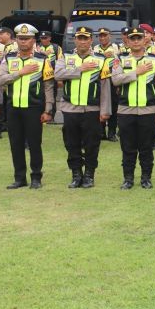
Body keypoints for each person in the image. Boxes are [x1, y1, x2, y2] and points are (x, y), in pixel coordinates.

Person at [0, 23, 55, 190]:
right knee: (15, 143)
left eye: (27, 39)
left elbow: (48, 86)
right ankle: (19, 177)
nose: (23, 42)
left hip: (33, 108)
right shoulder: (9, 57)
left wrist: (48, 109)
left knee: (34, 143)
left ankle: (36, 177)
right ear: (15, 39)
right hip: (13, 107)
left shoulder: (42, 59)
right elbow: (0, 80)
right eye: (20, 38)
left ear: (34, 40)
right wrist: (20, 72)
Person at [54, 27, 116, 189]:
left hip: (92, 109)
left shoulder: (100, 60)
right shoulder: (66, 57)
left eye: (85, 38)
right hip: (70, 108)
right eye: (79, 38)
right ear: (75, 40)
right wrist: (79, 70)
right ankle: (76, 174)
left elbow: (105, 87)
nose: (82, 41)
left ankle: (89, 174)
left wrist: (105, 110)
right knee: (71, 143)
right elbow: (57, 74)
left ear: (91, 40)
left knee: (92, 143)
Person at [112, 27, 155, 189]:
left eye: (138, 38)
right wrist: (136, 72)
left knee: (146, 147)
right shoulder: (119, 59)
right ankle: (128, 179)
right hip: (125, 110)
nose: (136, 41)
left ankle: (146, 178)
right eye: (132, 38)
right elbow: (115, 80)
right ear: (127, 41)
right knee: (127, 147)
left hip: (148, 110)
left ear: (145, 40)